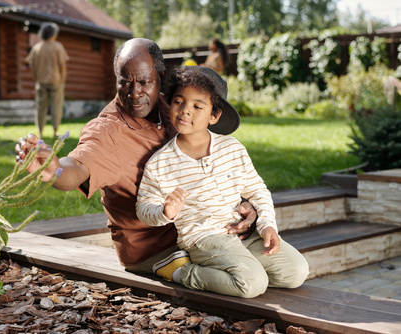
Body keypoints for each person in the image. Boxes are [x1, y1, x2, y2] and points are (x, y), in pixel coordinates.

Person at [15, 38, 256, 278]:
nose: (134, 92)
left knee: (280, 267)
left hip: (201, 227)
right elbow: (78, 165)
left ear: (161, 75)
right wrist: (55, 169)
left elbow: (216, 162)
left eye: (143, 82)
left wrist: (246, 206)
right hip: (155, 249)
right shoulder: (107, 131)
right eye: (125, 82)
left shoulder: (174, 107)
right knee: (247, 278)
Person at [136, 66, 309, 298]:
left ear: (214, 115)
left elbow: (257, 190)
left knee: (296, 272)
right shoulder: (160, 163)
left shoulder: (232, 148)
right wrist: (165, 211)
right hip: (204, 239)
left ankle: (242, 267)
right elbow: (143, 208)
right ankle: (181, 271)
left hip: (243, 234)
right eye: (179, 102)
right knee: (252, 284)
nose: (185, 111)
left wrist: (267, 225)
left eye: (198, 106)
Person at [26, 22, 70, 138]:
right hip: (56, 81)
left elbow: (31, 65)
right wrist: (63, 77)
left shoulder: (36, 47)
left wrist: (35, 77)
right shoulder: (57, 46)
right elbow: (62, 64)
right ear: (53, 34)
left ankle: (40, 132)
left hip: (40, 82)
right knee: (56, 106)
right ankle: (55, 131)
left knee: (40, 107)